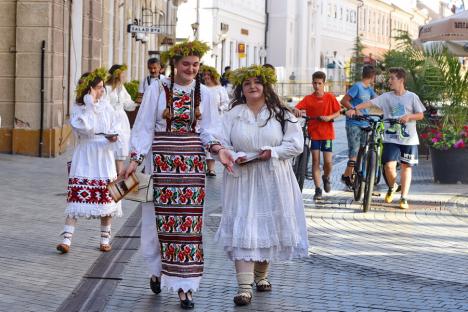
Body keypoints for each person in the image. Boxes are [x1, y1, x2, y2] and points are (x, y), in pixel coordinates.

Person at [124, 40, 233, 310]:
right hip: (161, 163)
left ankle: (186, 286)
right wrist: (134, 158)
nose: (192, 69)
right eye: (186, 64)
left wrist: (217, 149)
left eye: (196, 64)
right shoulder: (157, 89)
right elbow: (145, 125)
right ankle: (157, 270)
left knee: (188, 227)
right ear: (175, 65)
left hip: (192, 167)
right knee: (157, 223)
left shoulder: (205, 94)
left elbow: (208, 129)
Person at [212, 65, 309, 306]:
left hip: (273, 176)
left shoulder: (281, 114)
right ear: (241, 89)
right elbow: (220, 142)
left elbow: (296, 144)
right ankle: (244, 287)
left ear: (265, 86)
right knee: (245, 226)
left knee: (269, 225)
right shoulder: (233, 114)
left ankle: (261, 275)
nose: (253, 86)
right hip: (242, 178)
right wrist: (232, 154)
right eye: (247, 84)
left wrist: (272, 152)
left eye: (257, 82)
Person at [56, 68, 122, 254]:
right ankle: (66, 240)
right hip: (86, 153)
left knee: (107, 199)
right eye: (98, 88)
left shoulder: (107, 106)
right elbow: (84, 127)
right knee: (77, 195)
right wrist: (90, 105)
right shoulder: (78, 108)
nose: (102, 91)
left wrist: (114, 136)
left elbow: (115, 125)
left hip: (103, 154)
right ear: (88, 90)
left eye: (102, 88)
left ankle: (105, 239)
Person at [346, 67, 425, 209]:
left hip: (409, 139)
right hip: (391, 137)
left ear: (401, 80)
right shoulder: (386, 96)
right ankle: (392, 186)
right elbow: (370, 103)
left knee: (407, 167)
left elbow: (420, 115)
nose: (389, 81)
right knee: (388, 166)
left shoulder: (412, 97)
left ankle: (404, 197)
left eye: (392, 78)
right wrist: (355, 108)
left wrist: (409, 116)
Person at [294, 71, 342, 200]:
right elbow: (296, 108)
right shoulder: (308, 98)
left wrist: (329, 117)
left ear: (324, 84)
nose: (317, 86)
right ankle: (318, 189)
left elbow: (338, 111)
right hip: (313, 133)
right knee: (315, 161)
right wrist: (297, 110)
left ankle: (326, 177)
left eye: (319, 83)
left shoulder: (330, 97)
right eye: (315, 83)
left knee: (328, 162)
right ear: (312, 83)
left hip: (327, 134)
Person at [340, 65, 377, 188]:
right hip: (354, 123)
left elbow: (377, 100)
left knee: (361, 150)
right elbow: (344, 101)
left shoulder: (369, 89)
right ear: (372, 77)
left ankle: (346, 175)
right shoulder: (357, 86)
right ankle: (349, 177)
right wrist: (354, 109)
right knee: (354, 151)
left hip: (365, 123)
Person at [105, 64, 136, 172]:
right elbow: (104, 104)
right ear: (117, 75)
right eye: (123, 74)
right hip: (111, 120)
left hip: (122, 120)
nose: (124, 76)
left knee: (121, 148)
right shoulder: (107, 88)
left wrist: (137, 104)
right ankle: (114, 176)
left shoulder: (121, 88)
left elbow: (127, 103)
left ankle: (119, 177)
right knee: (113, 148)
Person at [200, 64, 230, 176]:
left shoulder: (220, 89)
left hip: (217, 120)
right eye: (204, 74)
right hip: (204, 119)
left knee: (215, 142)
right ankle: (206, 167)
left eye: (208, 74)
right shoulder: (201, 89)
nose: (206, 76)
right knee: (205, 140)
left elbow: (226, 103)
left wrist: (219, 108)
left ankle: (213, 168)